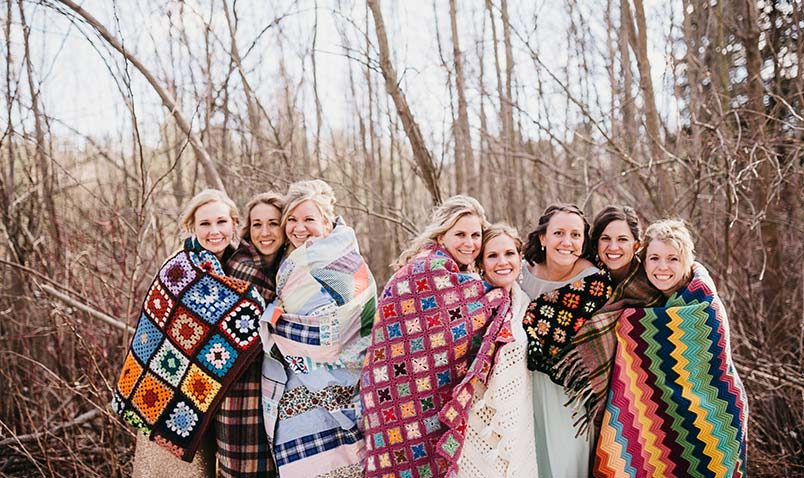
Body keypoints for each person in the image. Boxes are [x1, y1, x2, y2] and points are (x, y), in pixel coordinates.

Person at [112, 189, 265, 478]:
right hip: (164, 395)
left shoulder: (236, 267)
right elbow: (161, 335)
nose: (214, 231)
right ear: (191, 227)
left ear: (234, 224)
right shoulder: (180, 268)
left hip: (206, 396)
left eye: (221, 222)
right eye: (205, 224)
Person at [360, 196, 511, 478]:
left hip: (417, 393)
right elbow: (458, 323)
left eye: (476, 235)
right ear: (442, 235)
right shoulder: (429, 269)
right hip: (398, 392)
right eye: (460, 234)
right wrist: (500, 294)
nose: (470, 243)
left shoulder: (453, 270)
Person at [594, 219, 748, 477]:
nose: (662, 267)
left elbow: (709, 375)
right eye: (654, 258)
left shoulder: (704, 305)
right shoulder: (641, 301)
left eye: (673, 259)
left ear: (687, 260)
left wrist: (631, 323)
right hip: (650, 423)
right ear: (644, 261)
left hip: (712, 420)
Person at [260, 180, 377, 478]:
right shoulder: (288, 262)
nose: (299, 228)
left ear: (326, 221)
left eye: (309, 219)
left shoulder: (342, 259)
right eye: (292, 220)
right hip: (296, 389)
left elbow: (337, 328)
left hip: (340, 383)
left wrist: (274, 322)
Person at [519, 203, 612, 478]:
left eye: (575, 235)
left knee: (565, 461)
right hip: (522, 381)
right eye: (558, 233)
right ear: (543, 238)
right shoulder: (519, 273)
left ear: (584, 242)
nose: (567, 242)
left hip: (569, 388)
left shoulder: (594, 283)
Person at [555, 206, 663, 440]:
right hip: (589, 403)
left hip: (644, 397)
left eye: (622, 239)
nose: (613, 247)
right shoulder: (585, 280)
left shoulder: (652, 283)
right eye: (605, 239)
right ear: (595, 243)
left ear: (637, 245)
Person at [457, 224, 538, 477]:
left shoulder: (524, 304)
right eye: (492, 255)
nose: (502, 262)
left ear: (520, 257)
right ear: (481, 262)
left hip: (517, 415)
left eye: (509, 253)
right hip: (475, 421)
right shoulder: (467, 305)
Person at [217, 192, 287, 477]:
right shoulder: (241, 268)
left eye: (273, 223)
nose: (265, 232)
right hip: (241, 391)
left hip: (274, 388)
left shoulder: (286, 267)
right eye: (257, 224)